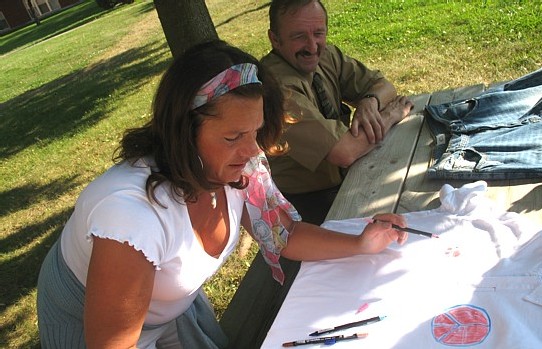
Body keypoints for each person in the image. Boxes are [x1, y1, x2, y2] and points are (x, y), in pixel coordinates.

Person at [36, 39, 408, 349]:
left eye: (255, 132)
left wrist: (360, 243)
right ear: (184, 132)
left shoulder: (240, 162)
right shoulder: (131, 216)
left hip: (167, 306)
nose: (252, 152)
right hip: (88, 322)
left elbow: (284, 235)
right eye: (233, 137)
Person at [261, 0, 414, 224]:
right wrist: (390, 115)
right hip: (304, 206)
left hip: (347, 180)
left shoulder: (327, 57)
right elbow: (345, 152)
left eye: (318, 33)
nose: (312, 46)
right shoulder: (275, 88)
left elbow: (385, 86)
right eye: (299, 36)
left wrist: (369, 101)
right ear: (275, 39)